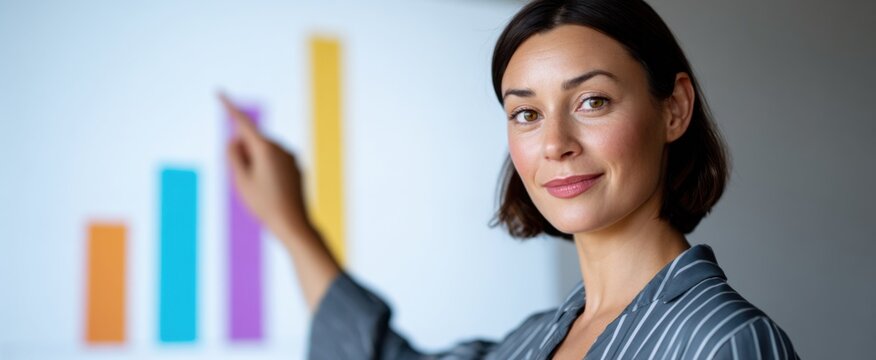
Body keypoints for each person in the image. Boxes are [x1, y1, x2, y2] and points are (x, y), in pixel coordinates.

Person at [220, 0, 799, 358]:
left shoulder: (726, 343)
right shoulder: (533, 340)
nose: (555, 143)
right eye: (526, 113)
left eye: (593, 101)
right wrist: (292, 226)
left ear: (673, 109)